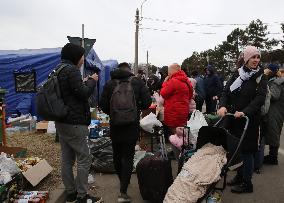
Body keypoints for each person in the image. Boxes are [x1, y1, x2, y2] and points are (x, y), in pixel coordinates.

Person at [55, 43, 102, 203]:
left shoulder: (59, 70)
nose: (83, 59)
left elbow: (70, 91)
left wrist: (82, 81)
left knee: (67, 159)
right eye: (82, 56)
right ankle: (82, 195)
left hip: (61, 122)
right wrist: (92, 81)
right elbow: (83, 94)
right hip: (74, 122)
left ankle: (70, 194)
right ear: (75, 56)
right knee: (84, 158)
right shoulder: (71, 70)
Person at [218, 46, 267, 194]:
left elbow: (260, 99)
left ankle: (247, 184)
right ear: (246, 59)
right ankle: (240, 176)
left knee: (247, 151)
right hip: (234, 119)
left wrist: (245, 112)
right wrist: (222, 106)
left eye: (258, 57)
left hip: (249, 121)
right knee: (237, 149)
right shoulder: (237, 74)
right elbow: (226, 92)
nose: (256, 60)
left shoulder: (260, 77)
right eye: (253, 57)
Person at [99, 62, 151, 202]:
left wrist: (114, 112)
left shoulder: (110, 84)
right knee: (128, 156)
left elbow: (102, 105)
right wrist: (135, 108)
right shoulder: (138, 82)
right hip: (131, 125)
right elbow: (147, 103)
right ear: (129, 70)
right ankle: (123, 191)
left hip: (115, 125)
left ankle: (123, 180)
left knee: (117, 155)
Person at [160, 63, 193, 158]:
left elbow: (163, 93)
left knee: (175, 134)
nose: (168, 74)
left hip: (174, 112)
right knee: (182, 133)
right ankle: (183, 152)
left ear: (172, 71)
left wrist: (165, 82)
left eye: (169, 72)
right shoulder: (186, 80)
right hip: (183, 111)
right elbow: (190, 95)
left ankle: (178, 154)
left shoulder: (173, 81)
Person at [262, 64, 284, 165]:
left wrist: (265, 88)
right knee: (274, 132)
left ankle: (273, 158)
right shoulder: (278, 80)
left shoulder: (276, 82)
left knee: (273, 132)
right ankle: (272, 156)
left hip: (275, 111)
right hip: (278, 110)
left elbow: (274, 96)